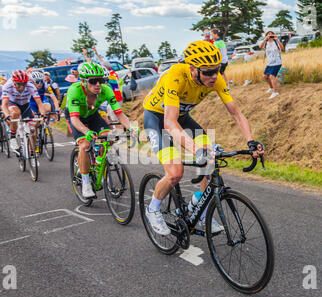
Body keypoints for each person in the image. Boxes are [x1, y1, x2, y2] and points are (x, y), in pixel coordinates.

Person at [143, 40, 264, 235]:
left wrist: (250, 140)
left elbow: (236, 113)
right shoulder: (175, 77)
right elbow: (169, 123)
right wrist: (196, 150)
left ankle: (199, 210)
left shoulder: (216, 80)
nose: (214, 76)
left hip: (182, 118)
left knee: (211, 162)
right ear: (192, 69)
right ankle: (153, 209)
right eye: (208, 72)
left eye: (218, 69)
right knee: (175, 173)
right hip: (157, 120)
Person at [66, 62, 138, 198]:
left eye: (101, 80)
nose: (98, 84)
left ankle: (99, 162)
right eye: (93, 81)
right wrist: (86, 131)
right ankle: (86, 183)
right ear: (83, 81)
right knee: (85, 145)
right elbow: (74, 120)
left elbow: (119, 113)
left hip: (93, 115)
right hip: (76, 118)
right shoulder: (75, 90)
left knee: (109, 137)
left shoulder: (106, 90)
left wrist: (132, 127)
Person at [0, 70, 45, 159]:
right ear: (13, 82)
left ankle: (32, 151)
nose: (21, 87)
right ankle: (13, 136)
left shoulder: (30, 86)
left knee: (33, 128)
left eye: (24, 84)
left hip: (25, 105)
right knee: (15, 113)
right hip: (13, 103)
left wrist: (43, 114)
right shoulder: (7, 86)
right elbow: (4, 104)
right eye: (18, 84)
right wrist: (7, 115)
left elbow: (39, 103)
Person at [259, 30, 284, 99]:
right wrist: (265, 39)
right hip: (269, 63)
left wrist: (277, 39)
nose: (270, 35)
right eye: (268, 34)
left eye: (271, 34)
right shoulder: (266, 43)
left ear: (274, 35)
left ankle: (275, 92)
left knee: (272, 76)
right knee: (265, 76)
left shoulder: (276, 42)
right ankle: (271, 88)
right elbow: (260, 46)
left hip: (277, 62)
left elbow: (282, 48)